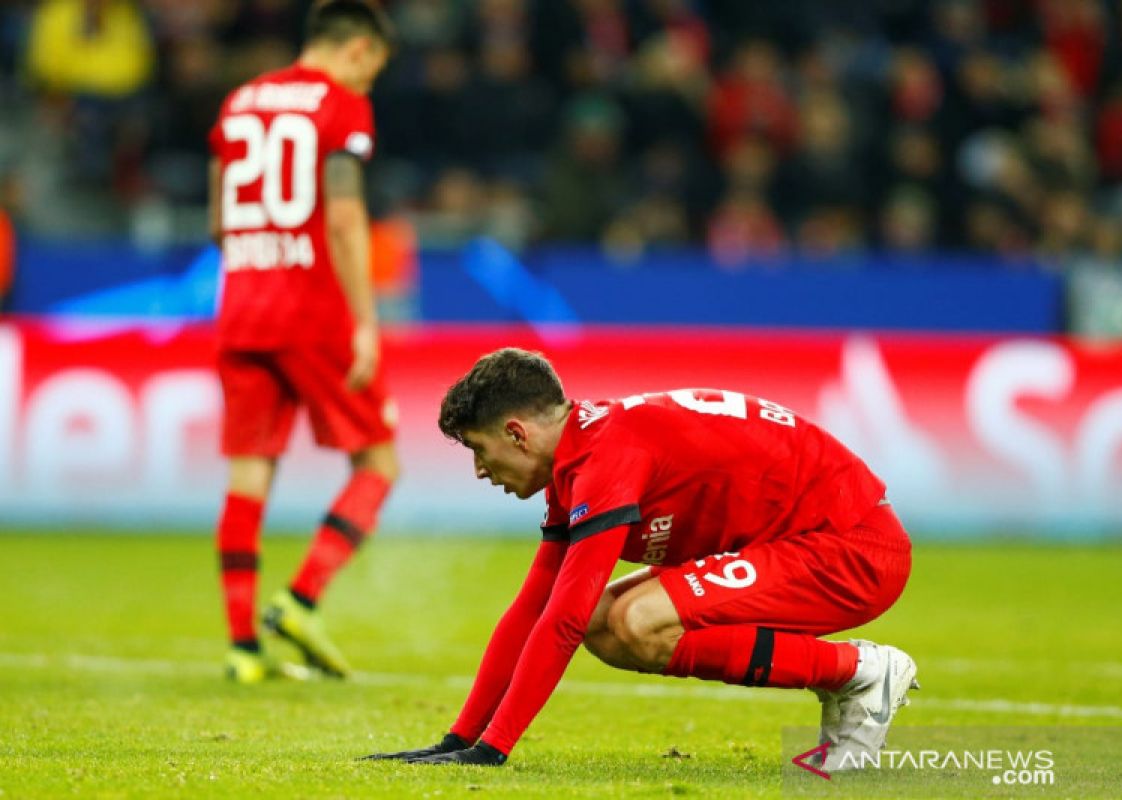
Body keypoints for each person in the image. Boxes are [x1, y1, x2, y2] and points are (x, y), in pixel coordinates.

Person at [364, 348, 916, 770]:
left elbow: (562, 619)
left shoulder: (606, 458)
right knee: (608, 626)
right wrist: (458, 741)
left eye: (480, 451)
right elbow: (533, 608)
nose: (481, 470)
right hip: (802, 542)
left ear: (517, 433)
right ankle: (850, 677)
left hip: (852, 548)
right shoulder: (580, 456)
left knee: (636, 620)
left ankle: (860, 671)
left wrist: (493, 751)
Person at [207, 0, 398, 683]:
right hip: (312, 310)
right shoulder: (341, 105)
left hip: (241, 310)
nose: (370, 82)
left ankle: (242, 648)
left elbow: (219, 222)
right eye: (374, 67)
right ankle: (301, 600)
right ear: (357, 50)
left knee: (248, 475)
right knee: (379, 463)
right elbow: (345, 217)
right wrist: (366, 320)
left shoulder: (239, 102)